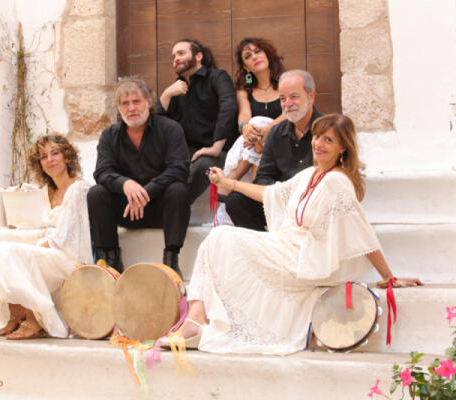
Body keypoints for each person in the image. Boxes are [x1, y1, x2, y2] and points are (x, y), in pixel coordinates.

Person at [169, 114, 423, 354]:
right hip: (286, 246)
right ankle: (196, 319)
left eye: (328, 140)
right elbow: (271, 194)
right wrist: (227, 183)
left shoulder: (337, 183)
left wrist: (388, 276)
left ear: (343, 148)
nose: (318, 144)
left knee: (221, 238)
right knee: (218, 239)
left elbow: (362, 233)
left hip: (303, 259)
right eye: (317, 136)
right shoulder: (311, 174)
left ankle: (196, 321)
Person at [0, 134, 93, 339]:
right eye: (43, 156)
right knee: (0, 253)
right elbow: (47, 230)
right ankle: (16, 315)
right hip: (52, 253)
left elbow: (64, 237)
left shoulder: (79, 187)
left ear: (66, 156)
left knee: (7, 252)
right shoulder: (48, 191)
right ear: (40, 164)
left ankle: (33, 320)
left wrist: (33, 248)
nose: (50, 159)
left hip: (69, 257)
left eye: (55, 153)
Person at [87, 77, 190, 278]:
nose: (131, 108)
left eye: (136, 101)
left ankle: (171, 261)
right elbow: (102, 172)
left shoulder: (170, 129)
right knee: (96, 193)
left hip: (160, 210)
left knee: (178, 189)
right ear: (119, 108)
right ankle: (111, 261)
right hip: (127, 211)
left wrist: (146, 191)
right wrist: (125, 184)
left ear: (149, 102)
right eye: (125, 103)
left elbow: (179, 169)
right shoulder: (109, 135)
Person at [225, 69, 323, 231]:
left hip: (313, 204)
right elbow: (262, 177)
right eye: (282, 98)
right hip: (281, 201)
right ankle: (265, 244)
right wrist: (281, 193)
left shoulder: (327, 130)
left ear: (311, 96)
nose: (287, 104)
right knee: (236, 201)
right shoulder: (276, 132)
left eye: (294, 97)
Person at [156, 38, 238, 204]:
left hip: (219, 150)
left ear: (198, 56)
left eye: (181, 53)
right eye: (173, 56)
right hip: (186, 151)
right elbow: (157, 124)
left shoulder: (217, 77)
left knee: (201, 167)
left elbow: (228, 108)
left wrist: (215, 147)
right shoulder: (175, 89)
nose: (176, 59)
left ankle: (171, 208)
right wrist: (166, 94)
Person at [222, 37, 285, 192]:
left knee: (259, 122)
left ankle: (225, 187)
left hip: (282, 137)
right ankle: (253, 187)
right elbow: (244, 113)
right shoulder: (245, 89)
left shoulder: (286, 82)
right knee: (254, 125)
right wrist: (245, 128)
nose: (255, 57)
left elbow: (289, 114)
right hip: (254, 143)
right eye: (248, 56)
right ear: (246, 67)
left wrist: (267, 130)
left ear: (267, 54)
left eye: (257, 51)